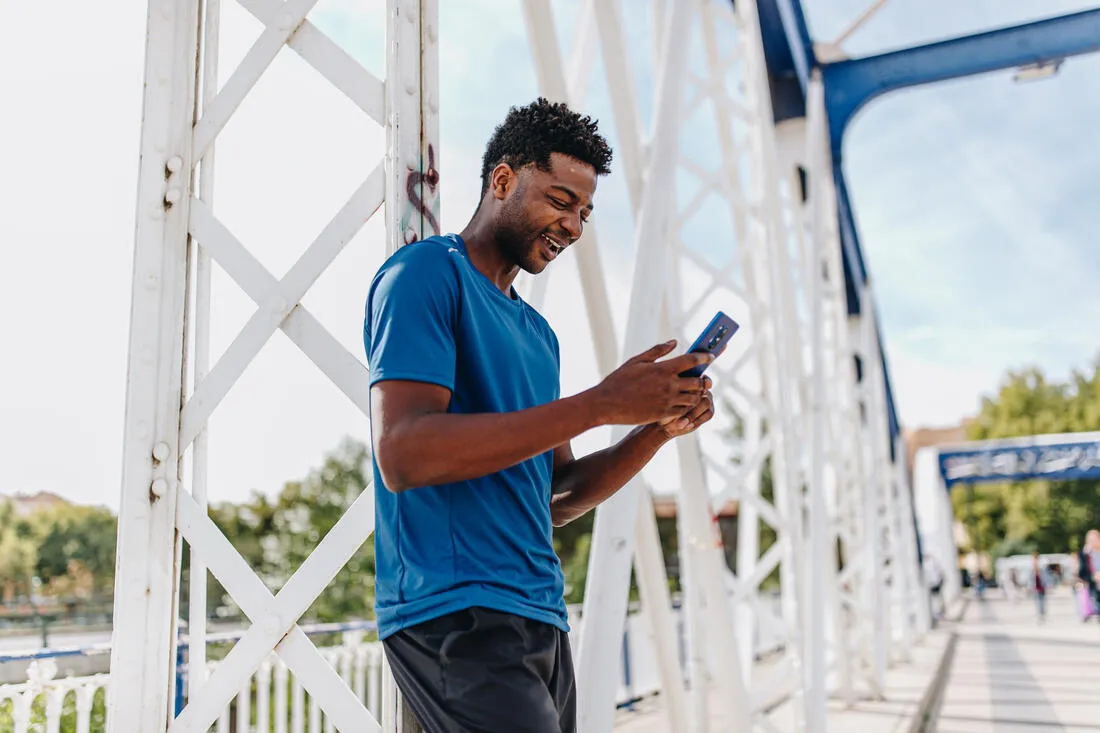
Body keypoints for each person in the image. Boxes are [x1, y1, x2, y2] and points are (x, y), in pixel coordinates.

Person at [362, 98, 718, 733]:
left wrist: (657, 428)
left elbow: (557, 496)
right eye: (560, 200)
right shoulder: (424, 275)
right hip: (455, 612)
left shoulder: (539, 335)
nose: (574, 226)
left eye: (583, 212)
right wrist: (601, 403)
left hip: (540, 617)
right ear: (503, 180)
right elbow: (404, 455)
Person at [1031, 552, 1049, 624]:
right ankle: (1039, 614)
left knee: (1042, 601)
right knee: (1037, 601)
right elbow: (1030, 578)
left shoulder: (1041, 566)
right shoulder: (1032, 567)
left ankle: (1042, 614)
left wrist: (1047, 584)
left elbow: (1045, 577)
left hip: (1041, 586)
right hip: (1035, 586)